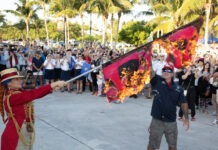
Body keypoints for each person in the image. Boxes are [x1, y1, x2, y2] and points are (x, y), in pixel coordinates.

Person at [0, 68, 67, 150]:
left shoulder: (18, 92)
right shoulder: (12, 97)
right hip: (16, 133)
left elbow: (33, 93)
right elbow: (33, 94)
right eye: (16, 79)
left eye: (19, 78)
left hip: (24, 130)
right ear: (8, 84)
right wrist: (53, 84)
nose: (20, 80)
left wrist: (52, 88)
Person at [147, 64, 189, 150]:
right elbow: (150, 71)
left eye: (169, 70)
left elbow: (184, 102)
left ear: (172, 74)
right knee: (152, 146)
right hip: (157, 121)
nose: (166, 72)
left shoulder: (178, 88)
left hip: (171, 122)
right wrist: (147, 54)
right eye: (164, 70)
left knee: (172, 147)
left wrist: (186, 118)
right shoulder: (157, 81)